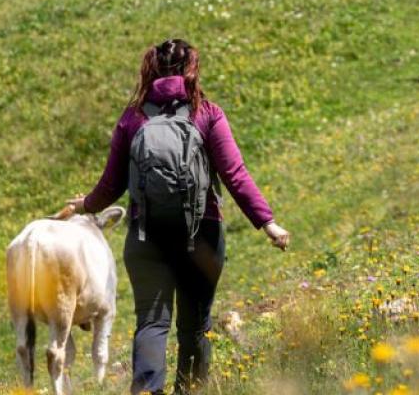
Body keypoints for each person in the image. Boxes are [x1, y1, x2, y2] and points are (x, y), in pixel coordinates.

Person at [62, 39, 289, 395]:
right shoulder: (207, 113)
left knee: (151, 324)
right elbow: (235, 174)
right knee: (196, 326)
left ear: (149, 71)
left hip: (146, 237)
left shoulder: (133, 118)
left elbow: (110, 186)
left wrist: (84, 205)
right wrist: (267, 223)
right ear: (191, 70)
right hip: (202, 233)